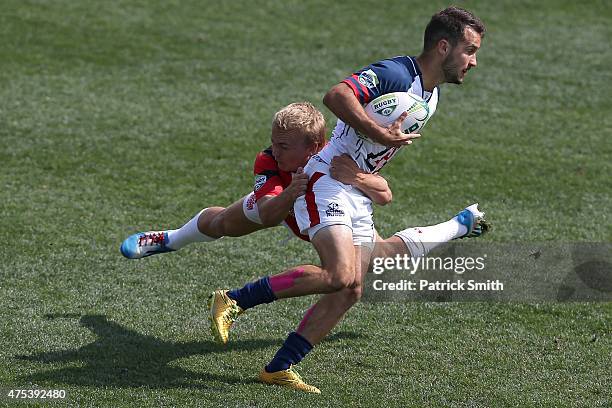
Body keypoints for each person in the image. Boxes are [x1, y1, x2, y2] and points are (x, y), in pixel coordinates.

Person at [210, 6, 487, 393]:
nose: (473, 62)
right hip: (326, 181)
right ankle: (233, 299)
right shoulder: (397, 73)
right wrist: (379, 134)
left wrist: (363, 177)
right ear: (444, 46)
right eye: (470, 50)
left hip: (353, 187)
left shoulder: (432, 94)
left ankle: (278, 367)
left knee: (352, 288)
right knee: (340, 274)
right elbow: (337, 94)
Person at [120, 102, 393, 260]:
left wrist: (356, 177)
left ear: (314, 146)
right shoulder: (269, 160)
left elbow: (384, 195)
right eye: (274, 142)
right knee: (223, 222)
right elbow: (267, 214)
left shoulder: (337, 156)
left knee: (378, 262)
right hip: (283, 208)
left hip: (334, 220)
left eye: (284, 146)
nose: (275, 151)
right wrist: (291, 193)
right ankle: (170, 239)